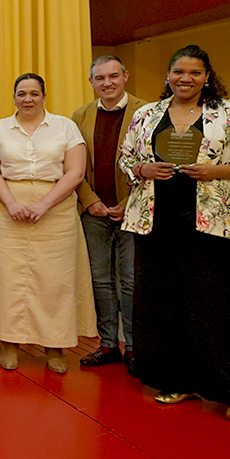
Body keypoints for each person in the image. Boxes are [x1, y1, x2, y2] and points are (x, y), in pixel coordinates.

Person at [119, 45, 230, 442]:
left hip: (213, 224)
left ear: (207, 76)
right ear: (168, 75)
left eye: (195, 72)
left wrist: (217, 171)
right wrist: (143, 168)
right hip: (156, 222)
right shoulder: (146, 114)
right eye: (179, 71)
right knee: (163, 304)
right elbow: (126, 159)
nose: (186, 79)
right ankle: (177, 380)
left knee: (218, 308)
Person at [0, 73, 95, 374]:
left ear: (44, 96)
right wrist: (11, 203)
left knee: (55, 282)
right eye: (21, 93)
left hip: (56, 211)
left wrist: (44, 204)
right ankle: (9, 343)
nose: (27, 99)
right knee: (8, 280)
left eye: (34, 93)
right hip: (7, 210)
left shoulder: (65, 127)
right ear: (14, 97)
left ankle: (55, 347)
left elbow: (75, 172)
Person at [71, 56, 145, 374]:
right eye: (100, 78)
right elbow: (72, 165)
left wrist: (129, 202)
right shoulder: (80, 115)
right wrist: (90, 201)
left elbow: (154, 163)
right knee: (100, 281)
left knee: (130, 281)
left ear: (125, 76)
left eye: (113, 76)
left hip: (133, 212)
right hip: (94, 212)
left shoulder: (146, 112)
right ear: (91, 82)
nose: (107, 83)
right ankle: (107, 344)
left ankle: (135, 347)